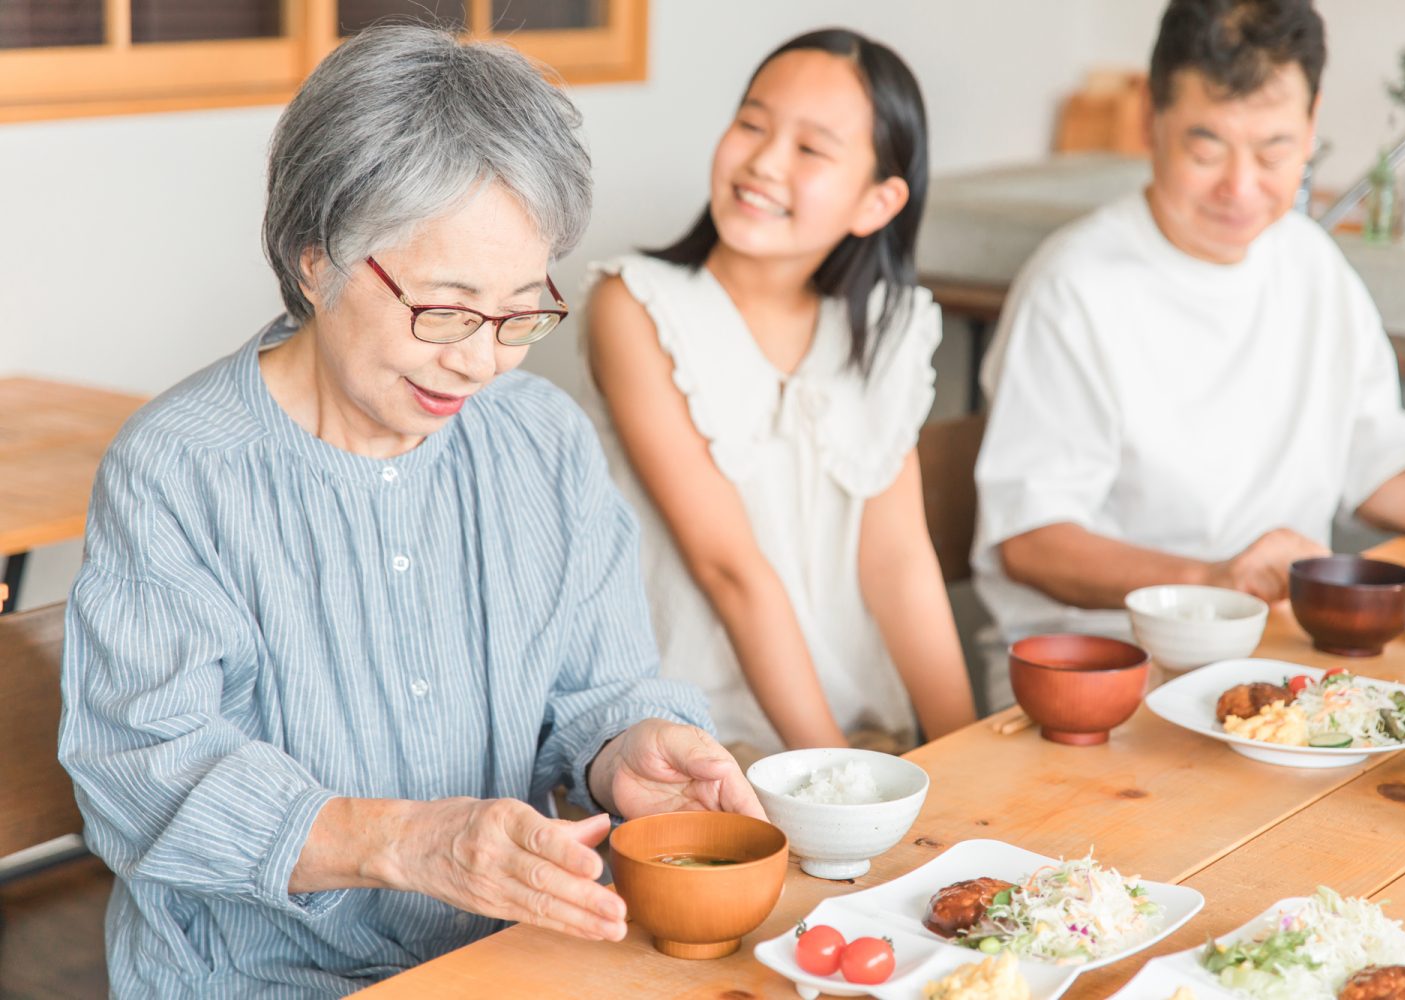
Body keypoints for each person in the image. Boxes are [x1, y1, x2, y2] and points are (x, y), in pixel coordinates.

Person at [58, 25, 761, 998]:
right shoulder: (182, 469)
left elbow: (598, 685)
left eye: (520, 311)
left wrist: (626, 748)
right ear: (316, 260)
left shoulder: (541, 439)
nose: (481, 358)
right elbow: (148, 775)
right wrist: (404, 841)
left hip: (514, 959)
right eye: (445, 308)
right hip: (265, 979)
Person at [972, 0, 1405, 703]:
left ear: (1312, 128)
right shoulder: (1076, 287)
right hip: (1101, 682)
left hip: (1276, 665)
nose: (1241, 188)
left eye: (1275, 148)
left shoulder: (1310, 266)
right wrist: (1214, 582)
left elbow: (1378, 464)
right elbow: (1033, 540)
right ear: (1150, 122)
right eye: (1207, 147)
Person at [581, 29, 977, 762]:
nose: (763, 161)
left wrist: (969, 757)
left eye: (811, 148)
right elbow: (727, 569)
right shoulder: (635, 306)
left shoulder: (888, 328)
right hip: (690, 750)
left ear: (877, 201)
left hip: (863, 736)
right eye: (752, 123)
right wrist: (833, 777)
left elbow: (897, 561)